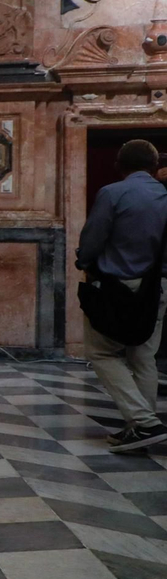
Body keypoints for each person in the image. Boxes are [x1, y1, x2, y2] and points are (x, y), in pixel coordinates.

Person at [76, 138, 167, 453]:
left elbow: (94, 236)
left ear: (120, 165)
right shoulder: (164, 195)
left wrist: (83, 262)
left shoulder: (113, 193)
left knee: (102, 353)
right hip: (156, 287)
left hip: (116, 287)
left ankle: (145, 422)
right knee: (143, 356)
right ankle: (140, 430)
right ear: (154, 166)